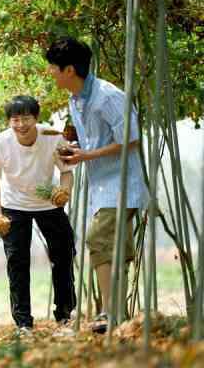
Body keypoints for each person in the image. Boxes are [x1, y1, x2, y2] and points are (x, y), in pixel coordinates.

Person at [45, 37, 148, 333]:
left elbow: (131, 139)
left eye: (53, 67)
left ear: (69, 70)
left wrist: (86, 155)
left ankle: (109, 313)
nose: (50, 72)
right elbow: (92, 139)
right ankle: (118, 318)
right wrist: (74, 149)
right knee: (114, 249)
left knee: (98, 239)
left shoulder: (108, 97)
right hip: (100, 185)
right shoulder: (76, 99)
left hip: (122, 183)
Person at [0, 95, 77, 334]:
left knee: (64, 255)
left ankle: (64, 315)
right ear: (9, 121)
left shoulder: (53, 137)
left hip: (49, 203)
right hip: (14, 206)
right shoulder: (0, 144)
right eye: (15, 120)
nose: (21, 124)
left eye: (26, 118)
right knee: (17, 262)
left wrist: (64, 192)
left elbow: (67, 171)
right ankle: (23, 323)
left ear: (36, 118)